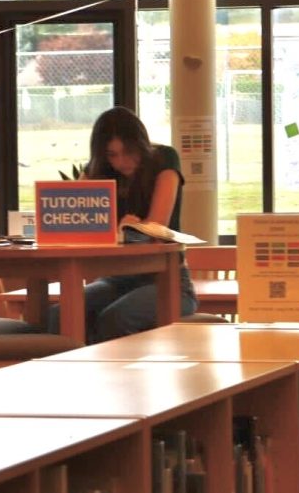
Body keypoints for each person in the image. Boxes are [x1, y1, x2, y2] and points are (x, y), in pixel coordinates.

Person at [57, 106, 198, 343]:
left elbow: (156, 225)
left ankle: (111, 374)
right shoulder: (99, 170)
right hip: (116, 278)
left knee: (114, 318)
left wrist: (137, 227)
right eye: (112, 155)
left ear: (141, 144)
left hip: (166, 280)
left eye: (128, 152)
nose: (122, 162)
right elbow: (78, 221)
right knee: (60, 314)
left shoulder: (164, 160)